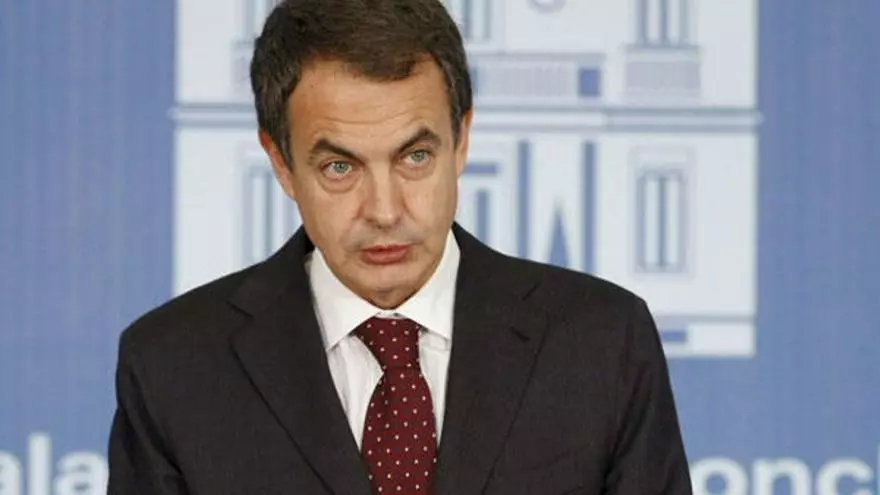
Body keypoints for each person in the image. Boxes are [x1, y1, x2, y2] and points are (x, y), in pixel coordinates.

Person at [107, 0, 693, 493]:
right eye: (340, 167)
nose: (384, 211)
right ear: (281, 163)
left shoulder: (601, 341)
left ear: (461, 140)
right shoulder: (172, 367)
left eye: (415, 157)